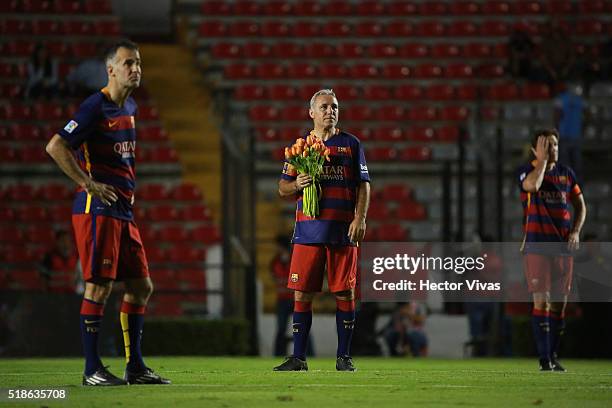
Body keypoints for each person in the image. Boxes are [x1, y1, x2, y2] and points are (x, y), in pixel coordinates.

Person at [45, 40, 170, 386]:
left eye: (139, 63)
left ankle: (135, 367)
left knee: (141, 287)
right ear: (111, 69)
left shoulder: (129, 106)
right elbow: (55, 145)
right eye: (128, 63)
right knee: (99, 287)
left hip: (123, 212)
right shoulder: (94, 107)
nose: (136, 69)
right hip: (97, 210)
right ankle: (91, 370)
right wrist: (88, 183)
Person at [274, 89, 371, 372]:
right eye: (325, 107)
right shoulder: (300, 148)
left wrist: (360, 218)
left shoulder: (351, 144)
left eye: (335, 107)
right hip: (308, 232)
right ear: (312, 113)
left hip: (343, 231)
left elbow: (364, 184)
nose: (331, 111)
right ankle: (299, 358)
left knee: (345, 293)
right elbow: (282, 188)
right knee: (301, 294)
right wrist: (297, 185)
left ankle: (344, 357)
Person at [517, 128, 587, 371]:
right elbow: (532, 186)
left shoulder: (567, 175)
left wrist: (576, 231)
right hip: (537, 245)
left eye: (555, 144)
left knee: (559, 305)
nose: (553, 149)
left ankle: (553, 356)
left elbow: (581, 206)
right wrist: (543, 162)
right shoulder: (527, 171)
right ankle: (544, 360)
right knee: (542, 301)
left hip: (562, 248)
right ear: (536, 149)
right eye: (547, 145)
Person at [270, 235, 314, 357]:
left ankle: (309, 353)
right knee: (281, 329)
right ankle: (278, 354)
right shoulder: (275, 261)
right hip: (282, 300)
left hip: (295, 300)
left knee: (302, 326)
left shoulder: (294, 260)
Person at [554, 83, 586, 180]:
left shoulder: (560, 99)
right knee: (577, 164)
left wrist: (556, 129)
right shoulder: (580, 99)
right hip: (576, 134)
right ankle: (577, 186)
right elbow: (587, 116)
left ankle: (566, 184)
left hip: (564, 134)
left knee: (565, 163)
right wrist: (583, 128)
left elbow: (557, 116)